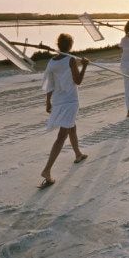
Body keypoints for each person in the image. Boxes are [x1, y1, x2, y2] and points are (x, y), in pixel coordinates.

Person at [39, 33, 89, 188]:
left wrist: (48, 102)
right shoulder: (70, 59)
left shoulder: (52, 62)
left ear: (58, 45)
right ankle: (47, 170)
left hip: (59, 101)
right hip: (70, 101)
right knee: (62, 135)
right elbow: (78, 81)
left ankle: (78, 154)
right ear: (70, 45)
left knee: (71, 126)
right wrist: (85, 65)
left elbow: (50, 84)